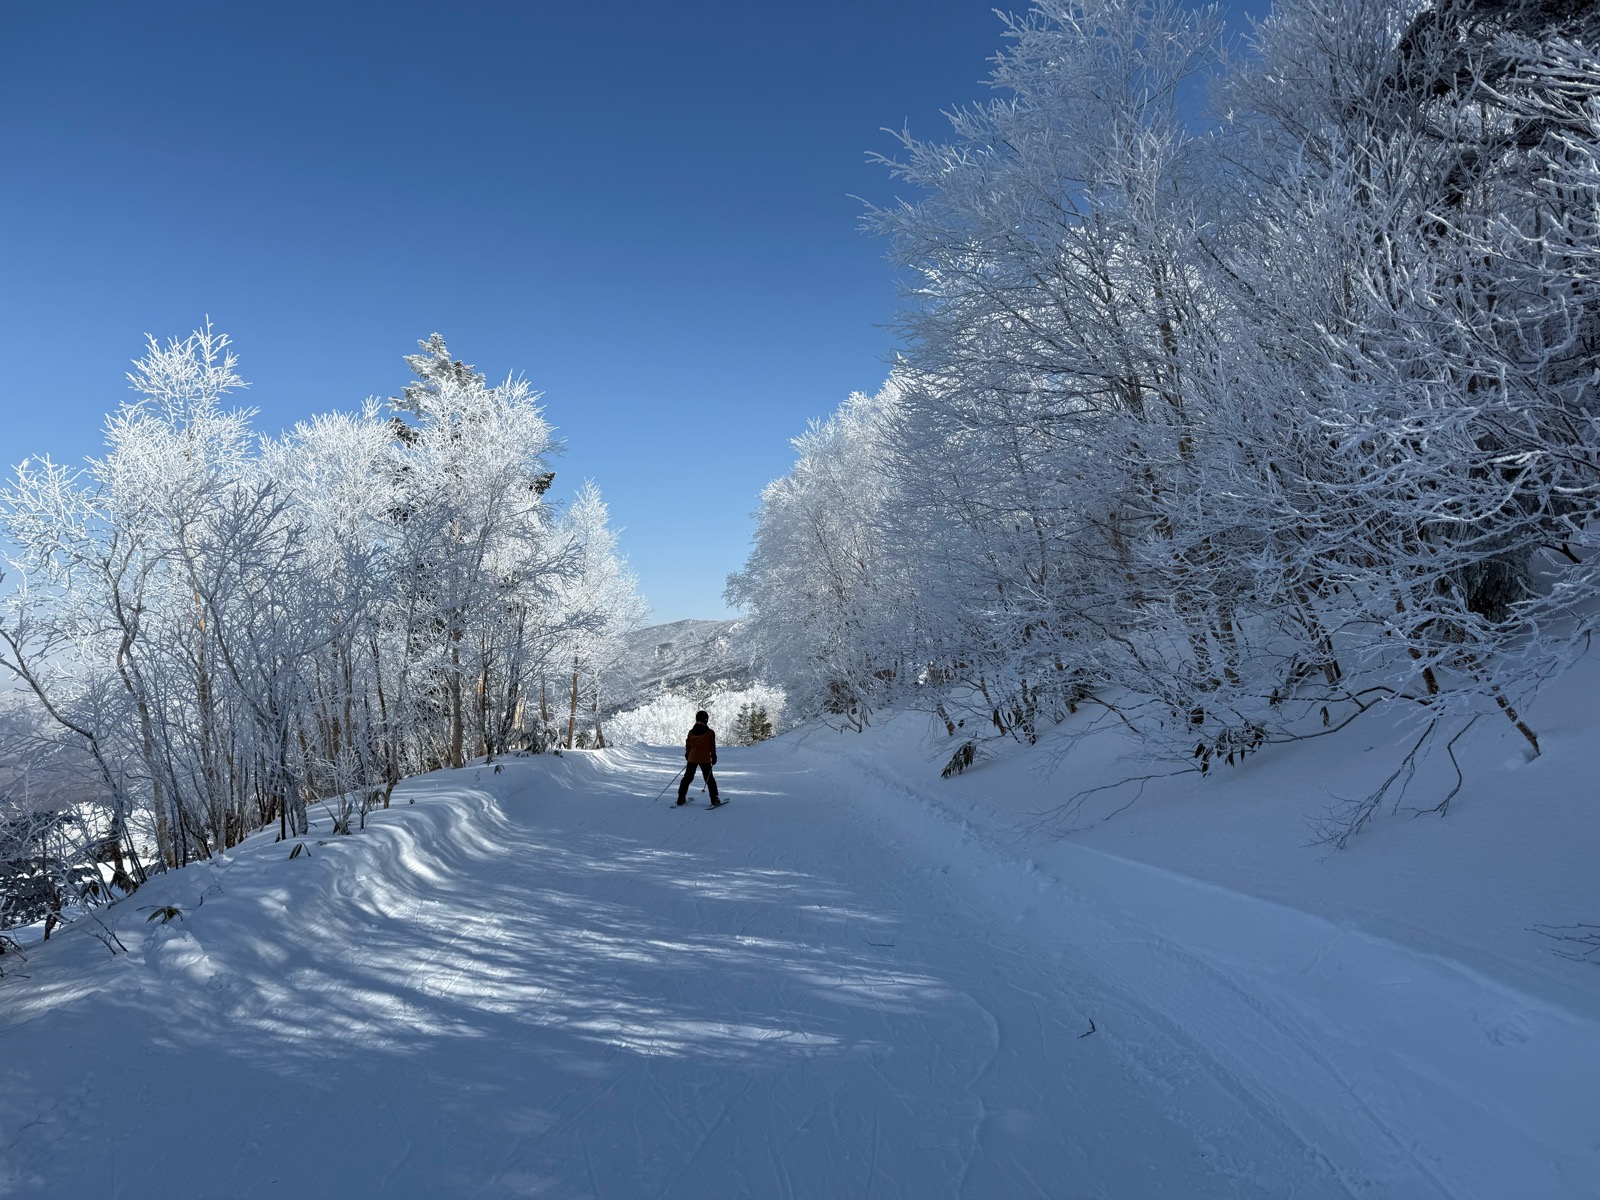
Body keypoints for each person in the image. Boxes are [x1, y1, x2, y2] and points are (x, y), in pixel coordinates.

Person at [677, 710, 721, 806]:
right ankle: (715, 799)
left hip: (692, 757)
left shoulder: (691, 732)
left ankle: (680, 798)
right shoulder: (710, 733)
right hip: (704, 758)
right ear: (706, 720)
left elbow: (688, 745)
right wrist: (713, 757)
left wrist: (687, 755)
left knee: (687, 778)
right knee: (709, 779)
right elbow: (712, 746)